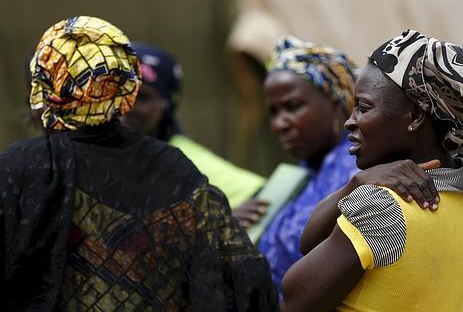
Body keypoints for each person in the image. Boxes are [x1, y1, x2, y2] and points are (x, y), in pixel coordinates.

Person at [1, 16, 277, 311]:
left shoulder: (21, 166)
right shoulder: (173, 167)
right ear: (127, 83)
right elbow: (246, 280)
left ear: (46, 87)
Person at [281, 29, 463, 311]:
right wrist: (355, 183)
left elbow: (294, 298)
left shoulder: (384, 206)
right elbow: (308, 242)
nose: (350, 121)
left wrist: (360, 191)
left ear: (416, 116)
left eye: (363, 107)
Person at [250, 36, 440, 299]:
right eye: (273, 112)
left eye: (292, 107)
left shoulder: (365, 169)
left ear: (336, 102)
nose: (279, 123)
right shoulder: (300, 175)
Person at [120, 42, 265, 208]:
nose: (125, 106)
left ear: (167, 104)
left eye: (142, 97)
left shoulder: (184, 163)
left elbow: (269, 199)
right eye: (115, 92)